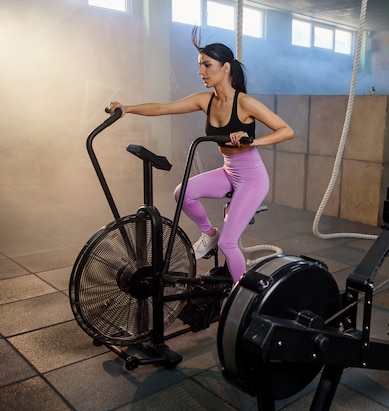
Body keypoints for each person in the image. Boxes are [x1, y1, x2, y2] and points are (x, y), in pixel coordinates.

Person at [107, 28, 294, 282]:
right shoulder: (205, 100)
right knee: (182, 192)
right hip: (229, 171)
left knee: (229, 245)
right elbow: (163, 108)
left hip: (252, 178)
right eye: (200, 66)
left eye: (207, 65)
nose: (201, 71)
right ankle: (209, 233)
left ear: (225, 67)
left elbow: (286, 130)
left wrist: (252, 142)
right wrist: (127, 108)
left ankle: (239, 297)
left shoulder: (245, 103)